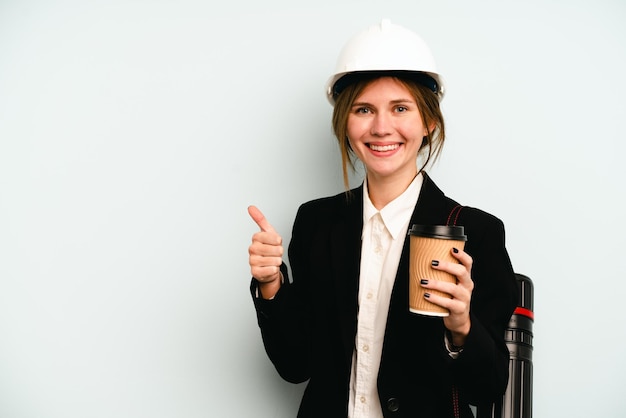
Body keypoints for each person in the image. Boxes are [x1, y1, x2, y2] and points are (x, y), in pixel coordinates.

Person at [247, 19, 518, 418]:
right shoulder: (317, 223)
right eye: (363, 109)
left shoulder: (475, 232)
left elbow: (488, 388)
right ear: (345, 123)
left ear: (428, 123)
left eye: (400, 108)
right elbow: (295, 365)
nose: (381, 127)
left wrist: (462, 327)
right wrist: (271, 285)